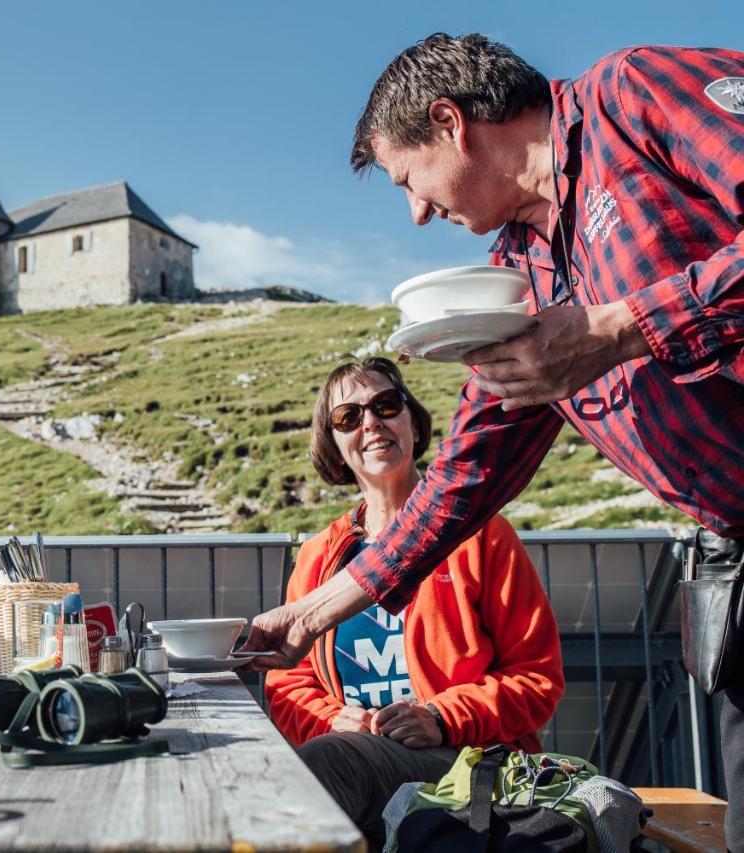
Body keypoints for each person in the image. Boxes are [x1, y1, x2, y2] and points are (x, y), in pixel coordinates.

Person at [241, 33, 744, 849]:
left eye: (409, 180)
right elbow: (462, 479)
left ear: (450, 122)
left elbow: (530, 678)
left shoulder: (634, 95)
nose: (416, 212)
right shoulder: (522, 273)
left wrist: (621, 329)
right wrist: (308, 613)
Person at [266, 357, 562, 851]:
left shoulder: (482, 534)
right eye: (348, 417)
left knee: (329, 765)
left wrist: (442, 718)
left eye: (386, 404)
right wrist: (334, 721)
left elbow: (537, 679)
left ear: (412, 421)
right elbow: (287, 684)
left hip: (466, 762)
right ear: (334, 445)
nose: (371, 422)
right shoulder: (319, 555)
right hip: (355, 756)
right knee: (327, 760)